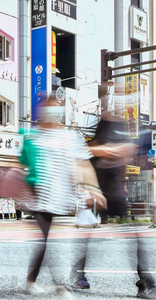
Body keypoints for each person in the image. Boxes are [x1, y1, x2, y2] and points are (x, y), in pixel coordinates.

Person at [72, 100, 155, 298]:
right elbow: (90, 150)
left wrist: (124, 180)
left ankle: (144, 280)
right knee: (87, 234)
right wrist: (112, 151)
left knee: (133, 236)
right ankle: (78, 275)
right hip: (96, 187)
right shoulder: (104, 123)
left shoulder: (126, 126)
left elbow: (126, 154)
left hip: (116, 190)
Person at [23, 97, 104, 297]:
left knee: (44, 241)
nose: (52, 112)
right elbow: (22, 162)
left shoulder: (69, 136)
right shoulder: (34, 136)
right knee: (44, 240)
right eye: (48, 108)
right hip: (38, 196)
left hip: (59, 197)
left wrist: (94, 189)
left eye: (56, 108)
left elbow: (84, 163)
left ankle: (31, 281)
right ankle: (59, 285)